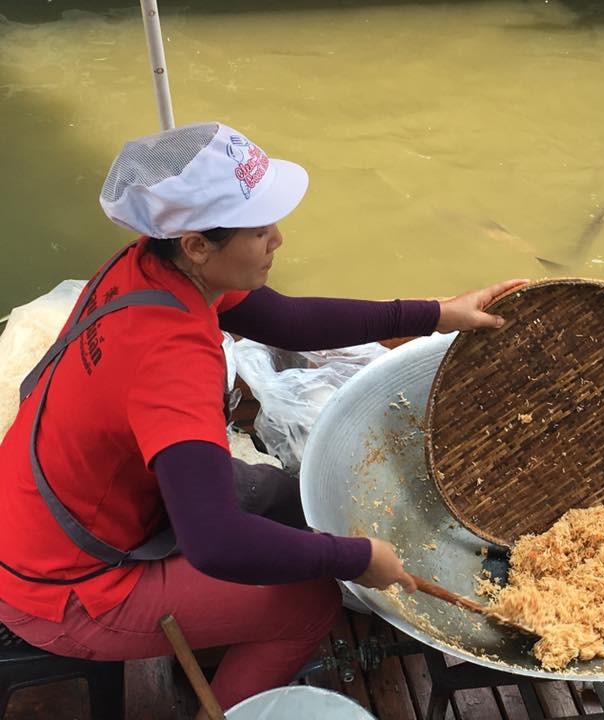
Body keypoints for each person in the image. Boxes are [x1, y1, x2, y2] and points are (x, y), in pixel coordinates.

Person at [0, 121, 525, 715]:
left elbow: (287, 322)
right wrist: (355, 558)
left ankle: (220, 628)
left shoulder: (159, 265)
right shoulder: (170, 356)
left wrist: (436, 313)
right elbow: (216, 543)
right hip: (63, 587)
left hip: (50, 501)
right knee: (309, 603)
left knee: (282, 494)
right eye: (259, 230)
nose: (277, 239)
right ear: (199, 243)